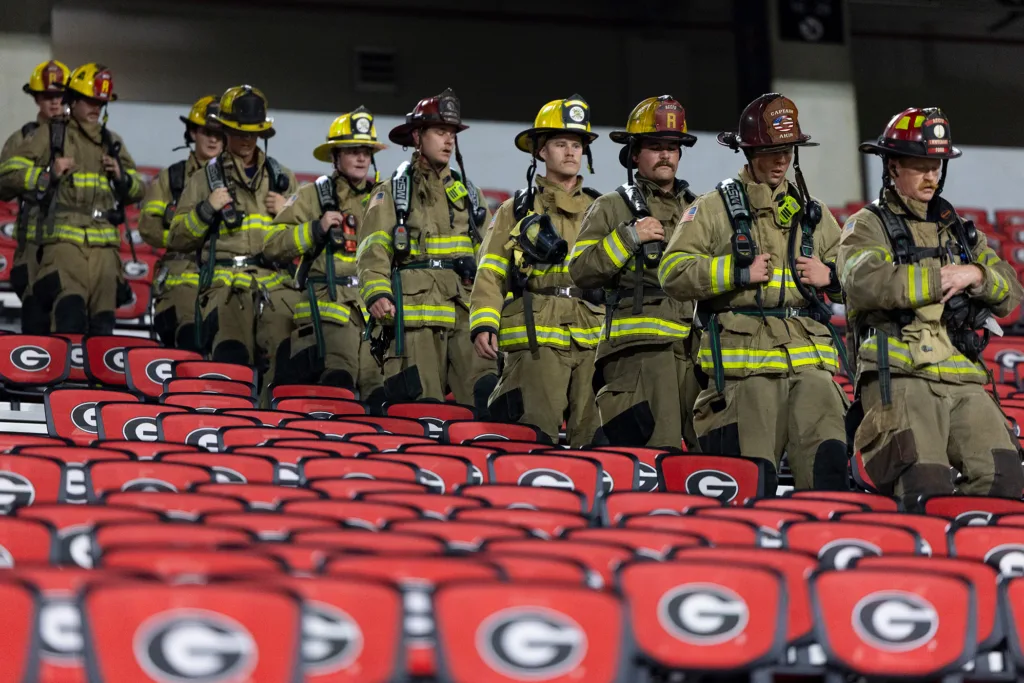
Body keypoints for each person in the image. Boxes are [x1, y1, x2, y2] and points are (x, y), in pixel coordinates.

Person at [658, 93, 848, 492]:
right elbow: (672, 272)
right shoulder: (711, 209)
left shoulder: (813, 213)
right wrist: (734, 272)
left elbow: (859, 278)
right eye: (771, 150)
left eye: (788, 150)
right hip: (744, 373)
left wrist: (829, 275)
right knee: (747, 483)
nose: (782, 160)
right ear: (748, 150)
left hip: (810, 366)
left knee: (828, 474)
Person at [839, 107, 1024, 507]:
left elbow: (1010, 293)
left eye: (936, 166)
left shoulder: (958, 229)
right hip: (900, 370)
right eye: (920, 166)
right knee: (925, 481)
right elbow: (863, 282)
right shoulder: (866, 224)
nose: (931, 176)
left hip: (960, 373)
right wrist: (941, 277)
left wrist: (975, 273)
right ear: (892, 167)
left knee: (1004, 475)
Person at [570, 95, 700, 449]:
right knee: (655, 454)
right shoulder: (610, 207)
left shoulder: (698, 208)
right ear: (634, 154)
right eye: (655, 146)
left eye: (672, 147)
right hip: (637, 356)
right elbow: (580, 271)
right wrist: (629, 237)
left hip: (693, 351)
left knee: (706, 458)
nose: (665, 155)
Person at [471, 95, 602, 445]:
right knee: (534, 438)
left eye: (577, 144)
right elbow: (490, 270)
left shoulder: (603, 208)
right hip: (536, 337)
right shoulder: (516, 209)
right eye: (561, 144)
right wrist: (484, 322)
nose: (571, 152)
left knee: (595, 443)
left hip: (593, 337)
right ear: (541, 152)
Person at [357, 88, 496, 408]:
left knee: (482, 403)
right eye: (439, 132)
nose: (448, 140)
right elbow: (372, 249)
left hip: (463, 315)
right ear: (418, 137)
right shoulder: (392, 191)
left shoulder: (470, 195)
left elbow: (490, 254)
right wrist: (377, 293)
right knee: (421, 408)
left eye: (452, 133)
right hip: (413, 318)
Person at [167, 85, 298, 385]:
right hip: (225, 287)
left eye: (253, 132)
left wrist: (288, 212)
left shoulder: (283, 178)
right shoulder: (203, 180)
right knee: (231, 367)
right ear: (225, 130)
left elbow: (303, 240)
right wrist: (205, 210)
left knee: (285, 369)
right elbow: (176, 239)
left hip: (275, 288)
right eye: (240, 132)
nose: (247, 139)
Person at [0, 62, 144, 334]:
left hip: (101, 252)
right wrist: (46, 175)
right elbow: (6, 178)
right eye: (47, 97)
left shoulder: (111, 142)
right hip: (46, 247)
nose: (95, 108)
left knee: (101, 329)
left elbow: (137, 190)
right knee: (52, 325)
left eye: (100, 104)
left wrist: (121, 177)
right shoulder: (40, 136)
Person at [266, 106, 385, 401]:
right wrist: (314, 230)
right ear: (335, 157)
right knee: (339, 380)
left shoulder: (382, 199)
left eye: (366, 152)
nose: (361, 158)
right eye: (352, 151)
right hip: (327, 313)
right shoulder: (311, 196)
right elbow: (271, 244)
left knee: (378, 389)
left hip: (373, 313)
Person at [139, 95, 224, 348]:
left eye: (219, 134)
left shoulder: (239, 179)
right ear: (192, 133)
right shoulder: (172, 177)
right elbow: (148, 227)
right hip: (180, 278)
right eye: (206, 132)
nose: (212, 139)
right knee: (191, 338)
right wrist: (184, 238)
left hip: (222, 277)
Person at [0, 59, 70, 333]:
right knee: (36, 325)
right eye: (47, 96)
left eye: (60, 96)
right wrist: (43, 177)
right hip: (33, 245)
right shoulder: (22, 139)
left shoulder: (80, 137)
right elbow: (3, 185)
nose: (54, 103)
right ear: (36, 98)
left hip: (70, 245)